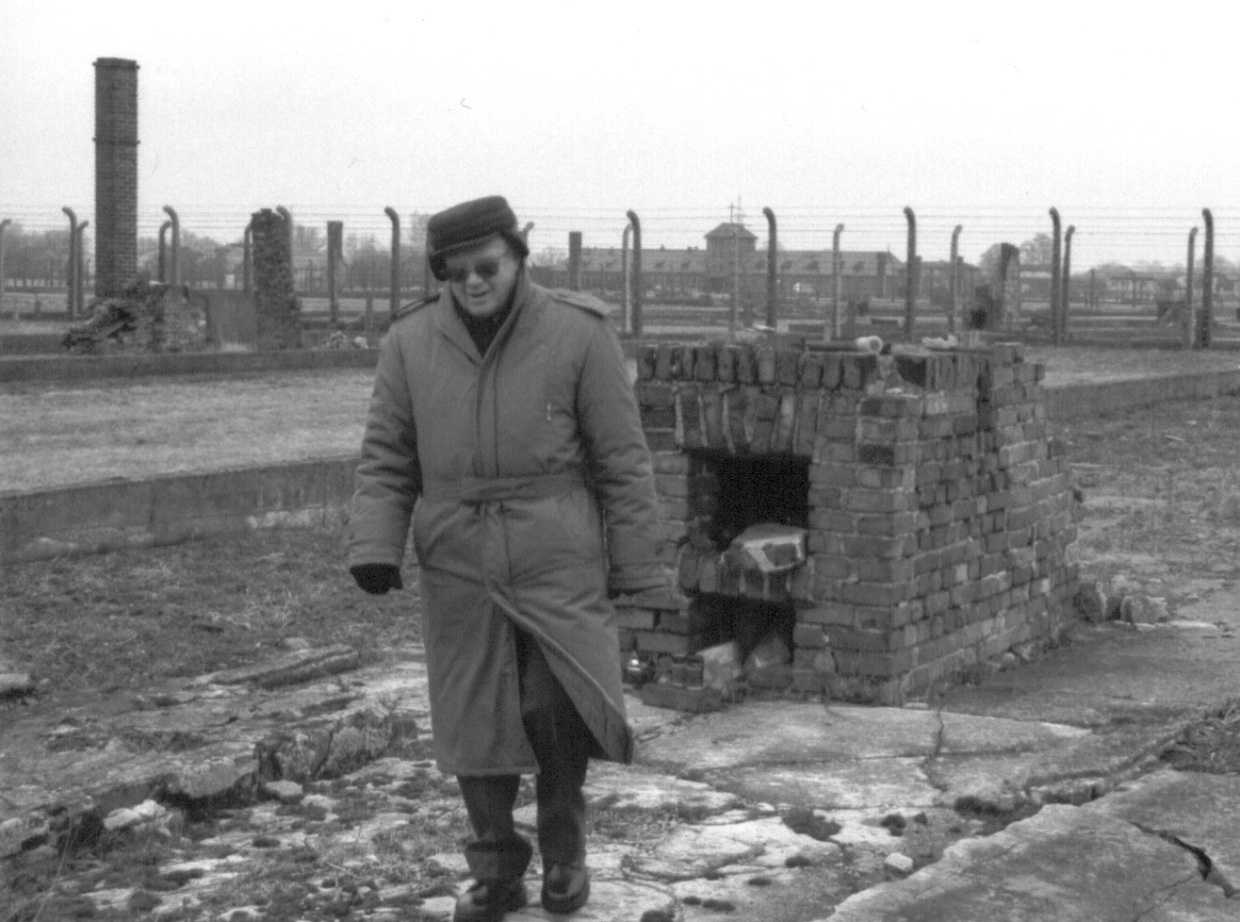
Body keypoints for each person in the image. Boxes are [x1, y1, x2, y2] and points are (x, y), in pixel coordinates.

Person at [347, 195, 667, 921]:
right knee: (473, 720)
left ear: (519, 256)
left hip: (557, 556)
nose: (472, 284)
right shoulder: (410, 343)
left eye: (486, 267)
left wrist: (640, 565)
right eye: (454, 274)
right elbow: (388, 456)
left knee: (556, 708)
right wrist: (375, 543)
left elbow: (623, 460)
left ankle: (564, 857)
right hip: (458, 558)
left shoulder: (579, 334)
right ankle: (495, 869)